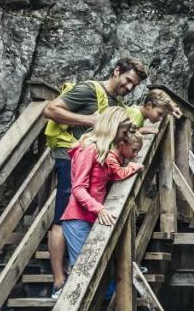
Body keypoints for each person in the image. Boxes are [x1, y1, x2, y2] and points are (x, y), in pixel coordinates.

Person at [43, 57, 149, 297]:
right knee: (62, 216)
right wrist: (91, 120)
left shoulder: (116, 102)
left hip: (94, 161)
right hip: (72, 157)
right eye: (128, 80)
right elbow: (50, 109)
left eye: (135, 85)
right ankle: (59, 281)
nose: (130, 87)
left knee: (80, 214)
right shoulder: (89, 90)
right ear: (116, 70)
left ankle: (83, 274)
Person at [60, 108, 143, 274]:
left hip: (91, 217)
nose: (125, 136)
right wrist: (100, 209)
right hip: (78, 218)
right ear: (113, 127)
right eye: (124, 131)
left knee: (96, 270)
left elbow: (109, 177)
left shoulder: (102, 151)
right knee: (84, 272)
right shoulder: (89, 148)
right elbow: (78, 188)